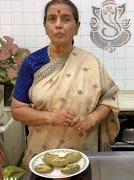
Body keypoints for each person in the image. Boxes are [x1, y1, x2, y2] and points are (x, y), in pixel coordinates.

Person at [11, 0, 120, 169]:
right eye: (52, 19)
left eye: (66, 19)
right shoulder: (32, 63)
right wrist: (52, 117)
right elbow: (17, 111)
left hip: (82, 156)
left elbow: (109, 99)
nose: (58, 25)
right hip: (42, 157)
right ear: (45, 26)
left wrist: (91, 119)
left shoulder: (91, 62)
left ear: (77, 26)